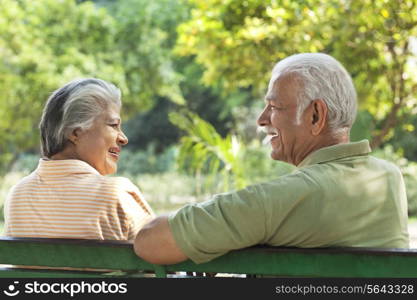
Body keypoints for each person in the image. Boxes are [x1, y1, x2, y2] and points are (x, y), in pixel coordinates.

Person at [133, 53, 409, 265]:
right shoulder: (388, 177)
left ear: (315, 115)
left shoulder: (285, 198)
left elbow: (150, 241)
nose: (262, 119)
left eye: (274, 107)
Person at [4, 78, 154, 240]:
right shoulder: (116, 194)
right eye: (113, 125)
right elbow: (161, 256)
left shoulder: (17, 195)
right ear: (75, 133)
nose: (123, 138)